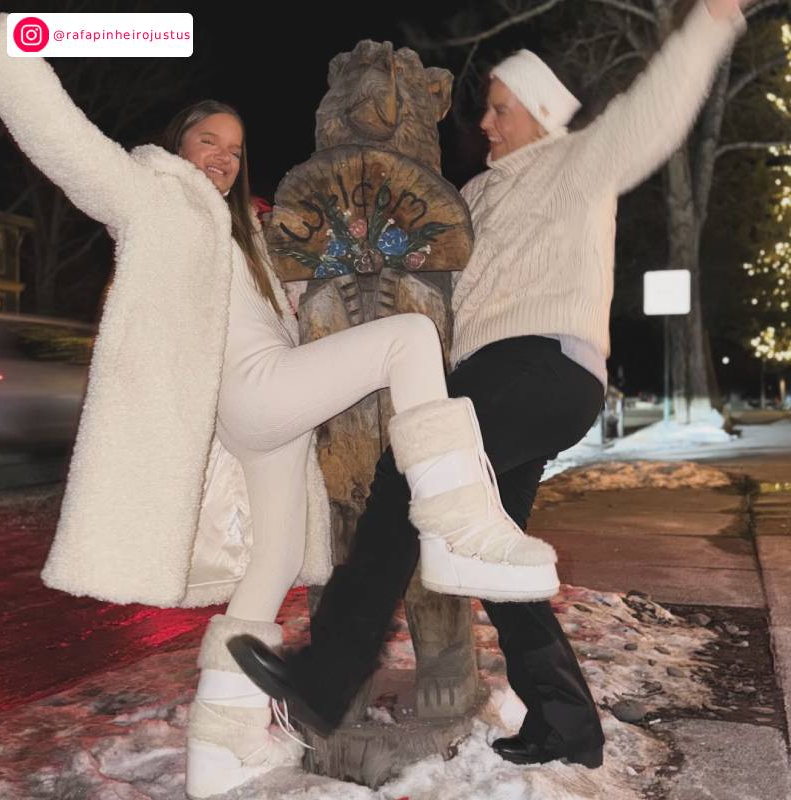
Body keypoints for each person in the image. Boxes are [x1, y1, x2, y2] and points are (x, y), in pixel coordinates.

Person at [0, 11, 562, 798]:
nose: (223, 159)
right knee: (407, 341)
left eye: (234, 149)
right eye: (208, 143)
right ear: (177, 147)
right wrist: (6, 53)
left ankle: (221, 747)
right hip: (255, 394)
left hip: (270, 419)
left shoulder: (243, 238)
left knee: (274, 564)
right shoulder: (154, 197)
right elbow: (65, 141)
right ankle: (456, 518)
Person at [228, 0, 752, 771]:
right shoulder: (476, 197)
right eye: (488, 110)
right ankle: (567, 724)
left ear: (541, 114)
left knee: (406, 474)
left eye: (502, 109)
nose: (486, 123)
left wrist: (707, 22)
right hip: (499, 377)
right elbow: (411, 259)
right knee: (495, 558)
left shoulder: (579, 163)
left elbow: (653, 112)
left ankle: (324, 678)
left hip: (541, 366)